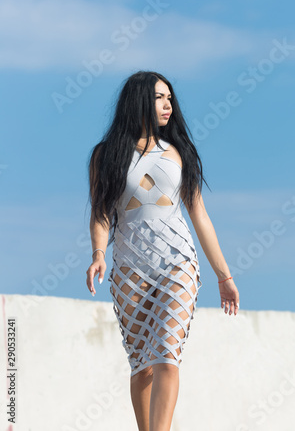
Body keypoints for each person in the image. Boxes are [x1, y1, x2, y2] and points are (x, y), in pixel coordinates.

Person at [86, 70, 240, 431]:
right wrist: (97, 254)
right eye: (159, 97)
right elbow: (100, 214)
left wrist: (224, 276)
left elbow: (199, 216)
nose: (168, 104)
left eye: (170, 97)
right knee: (142, 367)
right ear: (138, 100)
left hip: (178, 263)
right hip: (129, 269)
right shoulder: (105, 155)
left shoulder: (178, 152)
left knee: (167, 357)